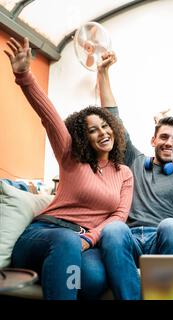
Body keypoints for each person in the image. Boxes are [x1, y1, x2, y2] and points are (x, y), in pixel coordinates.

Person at [3, 38, 133, 300]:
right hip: (45, 234)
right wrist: (24, 75)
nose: (102, 132)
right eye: (92, 130)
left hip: (83, 242)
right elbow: (48, 115)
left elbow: (118, 217)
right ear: (84, 138)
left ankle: (57, 271)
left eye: (106, 126)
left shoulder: (124, 173)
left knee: (93, 280)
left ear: (114, 129)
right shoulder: (70, 156)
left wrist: (90, 238)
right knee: (65, 241)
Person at [96, 52, 173, 299]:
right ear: (153, 140)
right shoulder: (134, 161)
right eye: (163, 137)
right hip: (128, 237)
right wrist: (103, 73)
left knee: (172, 225)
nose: (168, 143)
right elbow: (112, 117)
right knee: (112, 229)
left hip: (160, 239)